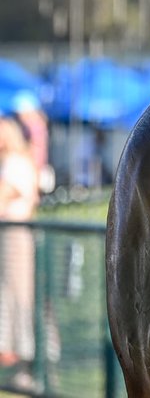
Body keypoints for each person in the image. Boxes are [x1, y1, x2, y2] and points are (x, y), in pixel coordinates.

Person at [0, 117, 38, 381]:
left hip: (17, 237)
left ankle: (26, 358)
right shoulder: (11, 162)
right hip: (10, 237)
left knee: (22, 295)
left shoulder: (16, 164)